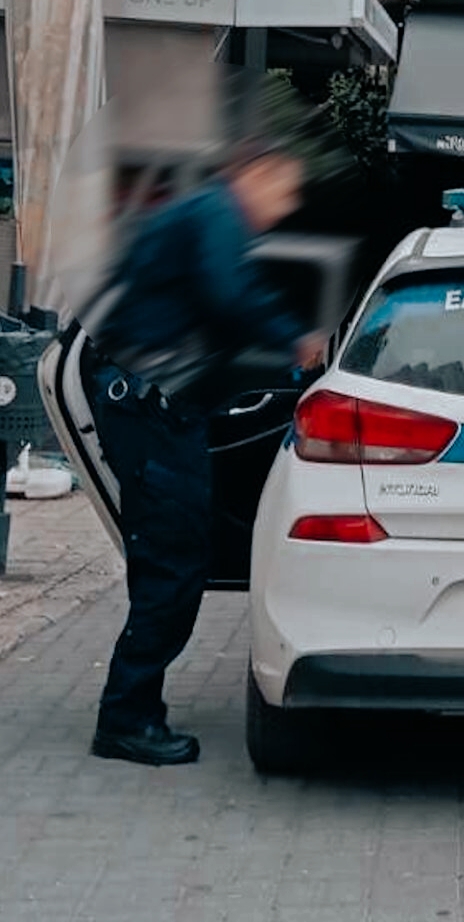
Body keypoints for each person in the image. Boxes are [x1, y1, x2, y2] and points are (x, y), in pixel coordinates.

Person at [85, 138, 325, 766]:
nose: (285, 205)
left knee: (168, 561)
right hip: (154, 412)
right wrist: (296, 340)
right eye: (283, 188)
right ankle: (125, 719)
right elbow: (230, 293)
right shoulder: (217, 213)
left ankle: (133, 706)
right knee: (173, 565)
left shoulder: (197, 213)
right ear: (255, 173)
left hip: (151, 406)